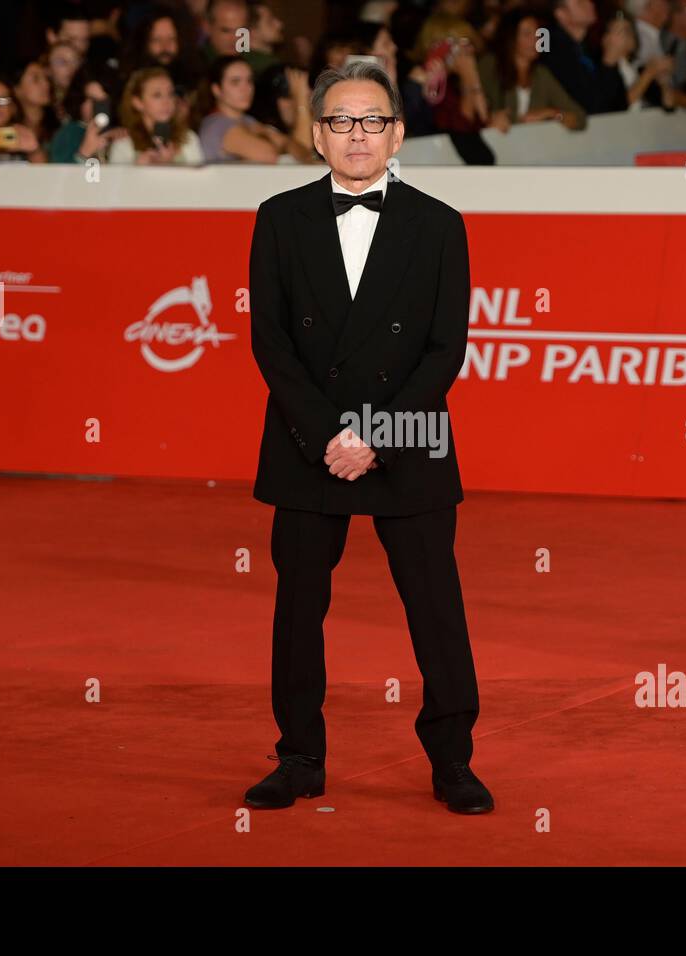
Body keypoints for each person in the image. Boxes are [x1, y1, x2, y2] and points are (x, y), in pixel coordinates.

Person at [243, 59, 492, 815]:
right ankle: (299, 756)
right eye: (343, 121)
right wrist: (328, 435)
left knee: (435, 607)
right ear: (318, 136)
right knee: (297, 610)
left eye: (373, 121)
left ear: (399, 135)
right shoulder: (278, 218)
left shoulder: (440, 224)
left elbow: (445, 349)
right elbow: (271, 343)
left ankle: (453, 762)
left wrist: (374, 437)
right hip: (306, 438)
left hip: (407, 438)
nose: (358, 135)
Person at [477, 6, 586, 131]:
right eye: (527, 34)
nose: (536, 39)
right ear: (511, 38)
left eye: (538, 33)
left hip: (531, 146)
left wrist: (552, 114)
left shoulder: (541, 74)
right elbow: (473, 111)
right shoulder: (489, 66)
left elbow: (579, 117)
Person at [198, 55, 313, 162]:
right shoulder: (217, 124)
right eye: (235, 82)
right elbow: (269, 155)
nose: (246, 88)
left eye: (249, 80)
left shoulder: (248, 120)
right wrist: (275, 139)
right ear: (217, 89)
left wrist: (279, 140)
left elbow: (302, 152)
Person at [108, 66, 203, 165]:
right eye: (157, 95)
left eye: (170, 94)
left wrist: (170, 165)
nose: (167, 102)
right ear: (138, 102)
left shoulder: (188, 137)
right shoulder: (124, 143)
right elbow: (116, 180)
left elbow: (202, 179)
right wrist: (137, 169)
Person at [48, 60, 125, 163]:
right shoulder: (68, 134)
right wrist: (84, 152)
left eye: (102, 102)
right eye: (90, 99)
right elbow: (57, 176)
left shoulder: (121, 133)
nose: (95, 107)